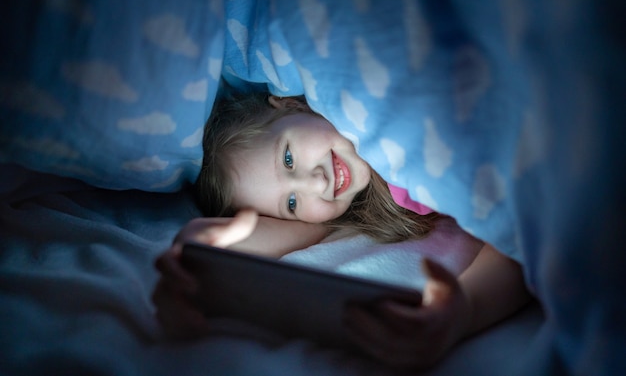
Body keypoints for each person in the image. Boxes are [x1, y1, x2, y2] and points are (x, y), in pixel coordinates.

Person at [152, 90, 531, 370]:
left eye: (288, 158)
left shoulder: (362, 95)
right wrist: (196, 253)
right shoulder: (388, 199)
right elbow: (521, 230)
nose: (315, 182)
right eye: (292, 204)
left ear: (285, 102)